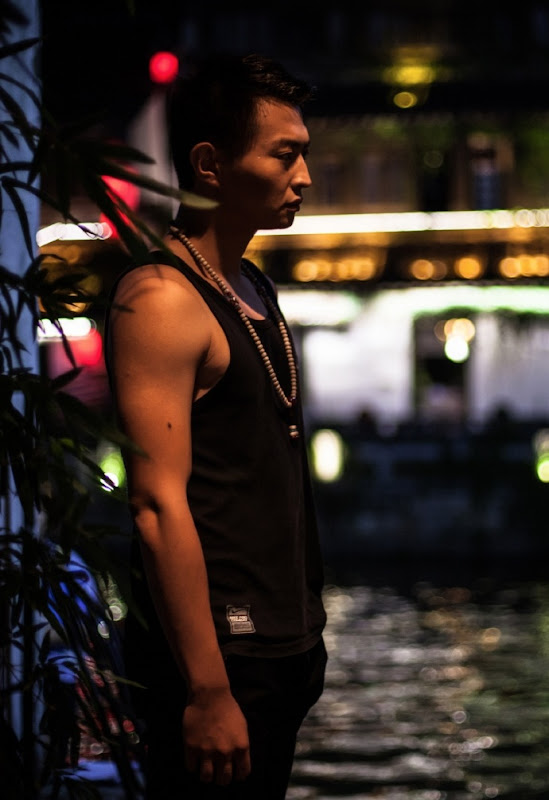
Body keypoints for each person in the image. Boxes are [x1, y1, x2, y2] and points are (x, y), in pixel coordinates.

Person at [104, 51, 327, 799]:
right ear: (210, 164)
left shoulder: (249, 283)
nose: (304, 176)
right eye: (284, 154)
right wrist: (206, 690)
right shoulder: (162, 297)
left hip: (283, 644)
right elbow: (156, 504)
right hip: (222, 659)